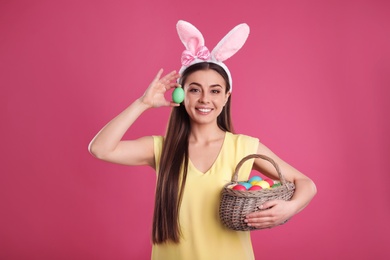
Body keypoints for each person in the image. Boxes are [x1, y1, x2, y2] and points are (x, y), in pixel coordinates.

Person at [88, 20, 317, 260]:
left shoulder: (244, 147)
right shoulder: (162, 149)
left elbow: (306, 183)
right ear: (181, 93)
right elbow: (100, 149)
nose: (205, 99)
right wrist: (142, 104)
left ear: (227, 96)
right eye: (195, 89)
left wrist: (289, 208)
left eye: (215, 91)